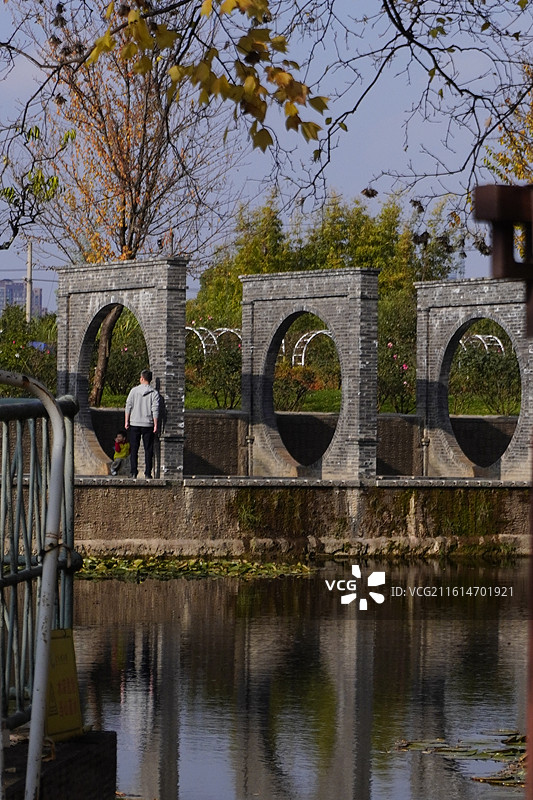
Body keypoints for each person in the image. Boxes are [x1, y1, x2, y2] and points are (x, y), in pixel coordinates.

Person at [124, 369, 160, 479]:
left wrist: (126, 421)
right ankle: (148, 473)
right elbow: (155, 409)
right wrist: (155, 425)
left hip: (135, 423)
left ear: (142, 378)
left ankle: (133, 472)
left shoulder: (134, 391)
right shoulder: (154, 393)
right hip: (148, 424)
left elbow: (128, 406)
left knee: (134, 449)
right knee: (148, 449)